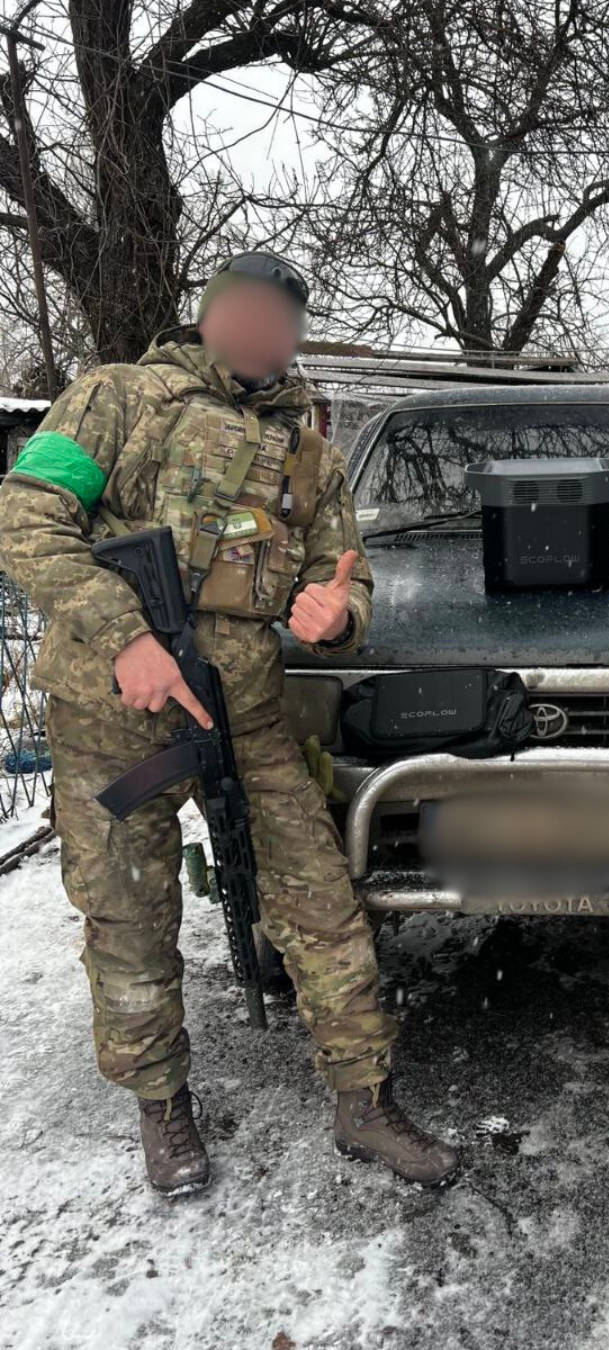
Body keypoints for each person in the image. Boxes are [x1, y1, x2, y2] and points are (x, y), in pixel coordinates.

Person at [0, 252, 459, 1195]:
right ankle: (162, 1106)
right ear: (207, 316)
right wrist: (124, 637)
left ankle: (364, 1101)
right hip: (110, 711)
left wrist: (338, 616)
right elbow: (25, 516)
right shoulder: (114, 397)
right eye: (243, 312)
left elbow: (344, 570)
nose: (261, 332)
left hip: (244, 712)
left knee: (321, 903)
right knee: (129, 916)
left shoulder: (310, 450)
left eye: (279, 319)